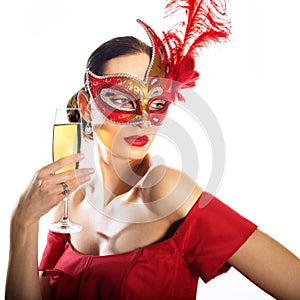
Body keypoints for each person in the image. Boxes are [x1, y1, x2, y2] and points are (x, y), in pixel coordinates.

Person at [5, 1, 300, 299]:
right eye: (122, 100)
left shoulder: (165, 190)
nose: (143, 120)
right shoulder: (71, 201)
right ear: (86, 106)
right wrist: (22, 224)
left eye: (157, 103)